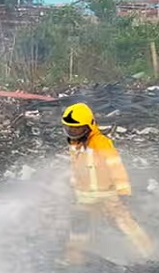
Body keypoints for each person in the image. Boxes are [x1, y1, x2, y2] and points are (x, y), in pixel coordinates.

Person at [60, 102, 154, 262]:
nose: (72, 132)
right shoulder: (75, 144)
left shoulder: (101, 142)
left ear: (89, 126)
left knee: (124, 223)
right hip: (85, 194)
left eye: (77, 129)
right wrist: (74, 185)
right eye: (70, 128)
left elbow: (115, 166)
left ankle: (148, 254)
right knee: (79, 225)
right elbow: (77, 167)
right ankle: (74, 257)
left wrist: (123, 191)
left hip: (107, 192)